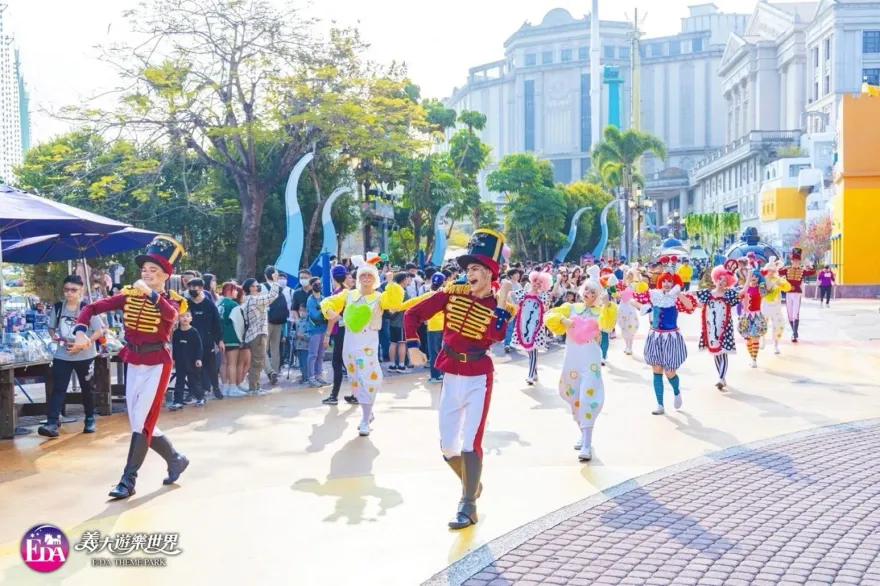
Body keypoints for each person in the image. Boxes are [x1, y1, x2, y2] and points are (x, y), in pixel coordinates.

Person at [403, 229, 516, 530]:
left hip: (479, 376)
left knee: (470, 443)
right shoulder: (450, 294)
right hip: (451, 375)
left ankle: (468, 505)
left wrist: (502, 302)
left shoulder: (499, 307)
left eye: (477, 268)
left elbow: (494, 335)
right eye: (468, 269)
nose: (470, 273)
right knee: (447, 447)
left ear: (491, 274)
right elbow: (412, 315)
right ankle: (472, 485)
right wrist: (413, 346)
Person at [71, 236, 190, 499]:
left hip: (157, 364)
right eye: (144, 269)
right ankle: (176, 458)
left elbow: (171, 317)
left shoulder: (171, 300)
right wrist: (80, 329)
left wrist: (150, 293)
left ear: (164, 275)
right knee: (139, 421)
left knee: (141, 423)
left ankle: (128, 480)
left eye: (153, 270)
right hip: (133, 362)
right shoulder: (128, 295)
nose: (146, 273)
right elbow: (91, 308)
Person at [321, 253, 405, 436]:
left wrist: (390, 282)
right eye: (362, 275)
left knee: (369, 379)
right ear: (358, 278)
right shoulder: (348, 294)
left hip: (368, 345)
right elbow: (327, 302)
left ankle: (365, 420)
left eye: (370, 275)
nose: (366, 278)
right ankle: (368, 412)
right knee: (355, 381)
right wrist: (330, 311)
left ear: (375, 278)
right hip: (349, 345)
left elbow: (395, 303)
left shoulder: (379, 297)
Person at [545, 277, 617, 462]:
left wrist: (607, 304)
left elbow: (607, 325)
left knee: (588, 397)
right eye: (587, 290)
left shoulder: (601, 311)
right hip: (572, 361)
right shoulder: (570, 308)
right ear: (581, 290)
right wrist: (563, 320)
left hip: (591, 360)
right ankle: (583, 434)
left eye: (593, 292)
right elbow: (549, 316)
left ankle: (587, 443)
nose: (589, 295)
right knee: (574, 397)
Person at [38, 275, 106, 438]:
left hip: (85, 355)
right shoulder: (58, 307)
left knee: (87, 388)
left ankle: (89, 418)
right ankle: (52, 422)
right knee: (59, 388)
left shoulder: (87, 308)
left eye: (73, 290)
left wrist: (86, 342)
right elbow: (51, 327)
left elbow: (99, 331)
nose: (69, 293)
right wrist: (54, 336)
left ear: (80, 290)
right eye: (66, 289)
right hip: (63, 354)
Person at [628, 270, 696, 415]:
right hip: (655, 337)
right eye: (664, 280)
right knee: (656, 370)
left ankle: (677, 392)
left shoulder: (676, 298)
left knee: (670, 372)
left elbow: (690, 306)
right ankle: (660, 404)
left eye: (669, 281)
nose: (666, 283)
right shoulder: (654, 294)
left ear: (674, 283)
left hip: (671, 338)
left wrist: (678, 293)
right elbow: (632, 298)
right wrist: (643, 307)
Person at [692, 264, 740, 390]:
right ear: (716, 278)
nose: (722, 282)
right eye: (720, 279)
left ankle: (720, 378)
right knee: (716, 352)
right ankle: (722, 378)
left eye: (725, 280)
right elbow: (698, 304)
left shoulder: (729, 294)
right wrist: (683, 298)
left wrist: (750, 275)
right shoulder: (707, 293)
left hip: (724, 327)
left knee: (723, 352)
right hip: (711, 327)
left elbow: (741, 294)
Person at [323, 265, 358, 405]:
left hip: (340, 332)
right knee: (348, 363)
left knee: (337, 363)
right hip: (350, 331)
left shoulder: (338, 293)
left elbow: (333, 317)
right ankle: (356, 394)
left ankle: (334, 396)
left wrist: (327, 335)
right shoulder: (349, 292)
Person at [511, 269, 553, 385]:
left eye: (540, 283)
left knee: (533, 350)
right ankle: (534, 373)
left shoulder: (543, 296)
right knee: (529, 350)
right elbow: (510, 294)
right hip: (523, 326)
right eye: (536, 281)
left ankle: (530, 375)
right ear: (532, 281)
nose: (536, 284)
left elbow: (546, 309)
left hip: (536, 327)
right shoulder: (523, 293)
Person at [242, 272, 281, 395]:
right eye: (256, 285)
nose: (258, 286)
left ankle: (256, 386)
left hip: (253, 334)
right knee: (257, 362)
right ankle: (254, 388)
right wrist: (275, 281)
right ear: (250, 288)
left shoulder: (248, 300)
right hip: (258, 334)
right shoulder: (254, 300)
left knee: (256, 361)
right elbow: (272, 296)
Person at [186, 278, 224, 400]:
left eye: (194, 287)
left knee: (211, 367)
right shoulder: (187, 304)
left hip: (207, 341)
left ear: (201, 288)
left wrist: (219, 340)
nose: (192, 290)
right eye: (190, 288)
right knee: (192, 368)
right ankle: (194, 391)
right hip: (191, 342)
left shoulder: (209, 304)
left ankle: (216, 388)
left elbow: (216, 323)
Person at [778, 247, 816, 343]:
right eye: (794, 260)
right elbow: (777, 272)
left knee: (795, 313)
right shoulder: (786, 269)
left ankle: (794, 334)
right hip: (788, 293)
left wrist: (810, 265)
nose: (795, 262)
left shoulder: (802, 270)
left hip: (797, 294)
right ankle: (794, 332)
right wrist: (778, 264)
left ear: (799, 261)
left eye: (797, 260)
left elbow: (812, 272)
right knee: (790, 314)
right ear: (791, 261)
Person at [217, 282, 248, 397]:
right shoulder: (233, 305)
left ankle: (224, 387)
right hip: (232, 336)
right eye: (235, 290)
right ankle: (233, 387)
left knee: (224, 363)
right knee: (232, 364)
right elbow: (238, 324)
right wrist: (241, 339)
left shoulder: (219, 303)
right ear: (230, 291)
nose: (237, 292)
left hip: (220, 337)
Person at [170, 311, 205, 409]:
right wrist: (173, 359)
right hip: (180, 361)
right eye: (182, 316)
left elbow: (199, 346)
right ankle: (178, 401)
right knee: (179, 381)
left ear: (191, 318)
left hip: (192, 361)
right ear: (178, 318)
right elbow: (175, 346)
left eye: (187, 316)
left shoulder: (194, 332)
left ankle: (200, 397)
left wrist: (198, 359)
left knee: (194, 380)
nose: (185, 318)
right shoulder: (176, 333)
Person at [265, 268, 292, 384]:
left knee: (263, 349)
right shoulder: (280, 288)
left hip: (265, 322)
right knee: (275, 348)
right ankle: (275, 370)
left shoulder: (262, 287)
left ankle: (270, 371)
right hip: (279, 321)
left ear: (266, 276)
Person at [737, 269, 770, 368]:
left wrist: (765, 280)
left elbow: (764, 293)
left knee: (755, 337)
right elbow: (738, 296)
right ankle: (752, 357)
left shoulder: (761, 288)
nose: (754, 278)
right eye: (752, 276)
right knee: (747, 338)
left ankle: (754, 359)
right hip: (745, 316)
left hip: (756, 316)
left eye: (756, 276)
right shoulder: (744, 288)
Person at [760, 258, 791, 354]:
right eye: (769, 270)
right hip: (765, 305)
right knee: (762, 324)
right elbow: (760, 291)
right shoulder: (762, 279)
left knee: (778, 325)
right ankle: (763, 339)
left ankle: (776, 344)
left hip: (776, 306)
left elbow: (788, 287)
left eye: (773, 270)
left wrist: (781, 283)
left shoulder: (778, 279)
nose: (771, 272)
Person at [306, 277, 329, 387]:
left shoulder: (324, 299)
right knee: (313, 354)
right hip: (314, 330)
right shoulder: (310, 300)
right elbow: (314, 315)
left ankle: (318, 375)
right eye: (315, 284)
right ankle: (311, 377)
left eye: (319, 283)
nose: (318, 285)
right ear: (310, 286)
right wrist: (324, 313)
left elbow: (327, 313)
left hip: (323, 329)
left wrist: (323, 313)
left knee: (320, 354)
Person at [293, 305, 311, 384]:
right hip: (298, 345)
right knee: (300, 363)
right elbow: (292, 331)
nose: (302, 312)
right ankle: (304, 376)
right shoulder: (296, 321)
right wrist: (295, 334)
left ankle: (307, 377)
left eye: (304, 311)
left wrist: (303, 336)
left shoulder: (309, 322)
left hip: (305, 346)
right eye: (301, 310)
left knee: (305, 362)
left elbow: (311, 334)